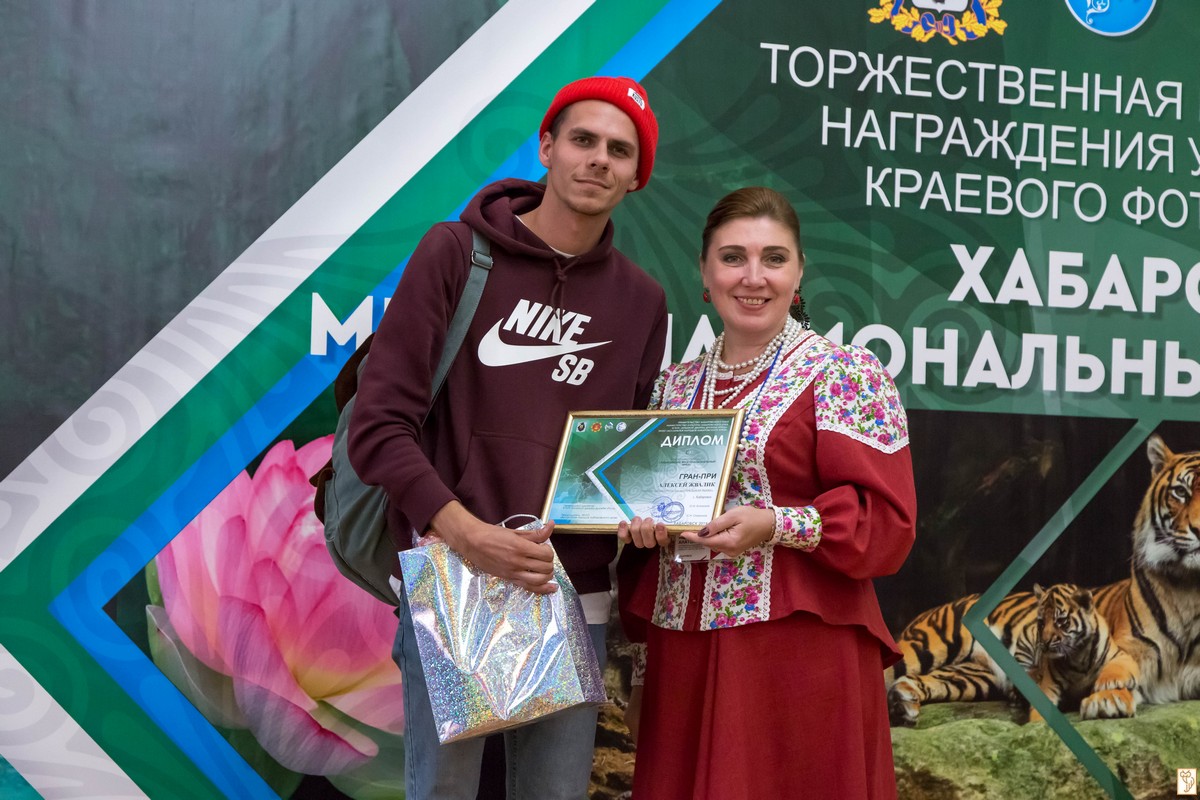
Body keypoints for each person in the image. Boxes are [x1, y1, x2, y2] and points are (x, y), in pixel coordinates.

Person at [348, 77, 668, 800]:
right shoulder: (456, 253)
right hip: (453, 580)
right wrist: (466, 533)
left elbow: (624, 459)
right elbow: (380, 425)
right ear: (547, 147)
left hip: (573, 593)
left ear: (636, 177)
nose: (599, 159)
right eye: (583, 140)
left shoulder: (642, 301)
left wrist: (644, 514)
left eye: (620, 151)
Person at [616, 186, 917, 799]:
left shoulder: (844, 374)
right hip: (683, 656)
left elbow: (886, 523)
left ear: (799, 272)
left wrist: (776, 525)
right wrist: (643, 534)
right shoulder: (671, 389)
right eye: (733, 258)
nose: (753, 277)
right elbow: (652, 543)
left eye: (774, 259)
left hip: (797, 651)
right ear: (704, 272)